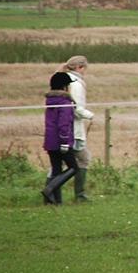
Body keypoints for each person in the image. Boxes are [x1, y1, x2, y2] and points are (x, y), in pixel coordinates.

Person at [41, 71, 79, 204]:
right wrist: (64, 141)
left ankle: (56, 201)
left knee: (56, 170)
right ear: (64, 86)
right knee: (74, 168)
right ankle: (49, 189)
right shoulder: (65, 102)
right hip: (61, 142)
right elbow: (64, 124)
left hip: (50, 142)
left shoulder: (50, 101)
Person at [61, 55, 94, 200]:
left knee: (59, 163)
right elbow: (76, 108)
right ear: (80, 67)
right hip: (73, 129)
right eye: (84, 69)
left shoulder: (63, 79)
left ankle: (52, 191)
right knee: (83, 159)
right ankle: (79, 194)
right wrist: (90, 115)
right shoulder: (76, 83)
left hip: (61, 128)